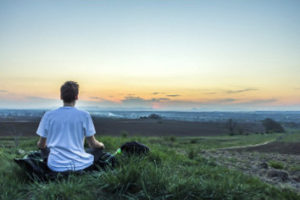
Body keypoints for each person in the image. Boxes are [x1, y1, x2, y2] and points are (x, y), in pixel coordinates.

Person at [36, 81, 105, 172]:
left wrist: (47, 147)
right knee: (98, 150)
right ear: (76, 97)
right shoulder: (84, 115)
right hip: (80, 165)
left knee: (45, 151)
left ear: (61, 97)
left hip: (55, 166)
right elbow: (92, 144)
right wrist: (101, 145)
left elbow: (41, 144)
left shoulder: (48, 115)